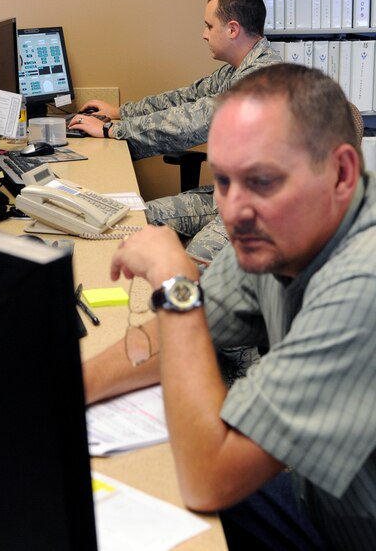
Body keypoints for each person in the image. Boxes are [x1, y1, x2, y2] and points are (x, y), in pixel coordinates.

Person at [84, 63, 376, 550]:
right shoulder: (282, 229)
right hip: (319, 498)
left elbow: (210, 479)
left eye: (262, 181)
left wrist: (176, 281)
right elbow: (182, 327)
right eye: (223, 181)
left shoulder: (362, 284)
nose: (233, 210)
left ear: (342, 172)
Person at [69, 0, 282, 266]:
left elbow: (191, 122)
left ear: (232, 29)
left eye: (209, 25)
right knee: (131, 220)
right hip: (225, 198)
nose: (204, 34)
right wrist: (120, 111)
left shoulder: (264, 81)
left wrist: (112, 130)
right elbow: (186, 98)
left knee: (184, 273)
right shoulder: (237, 70)